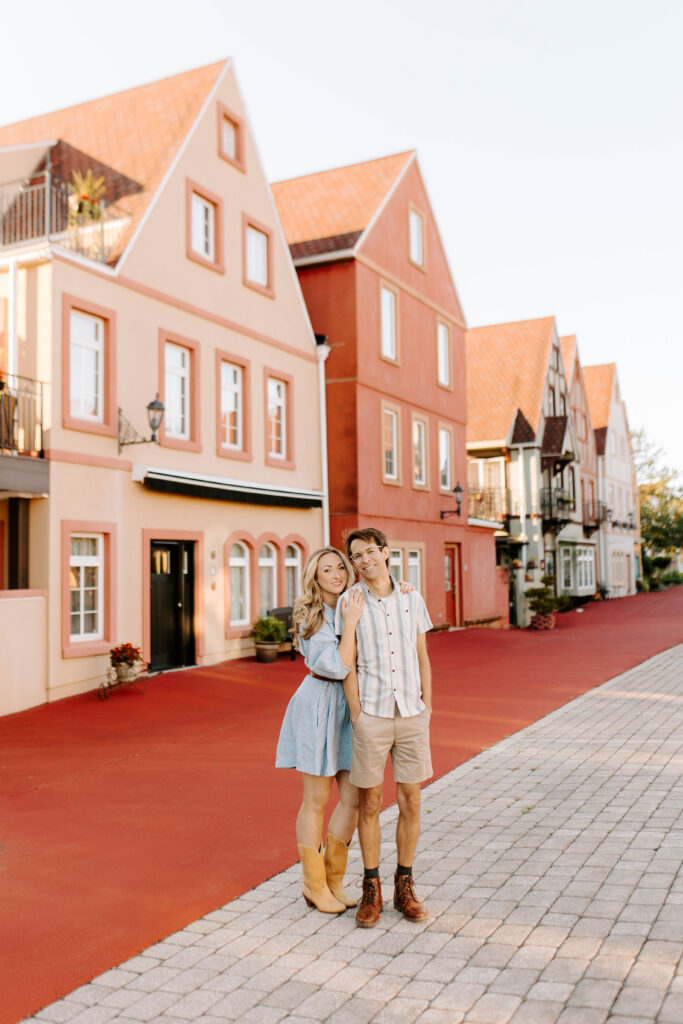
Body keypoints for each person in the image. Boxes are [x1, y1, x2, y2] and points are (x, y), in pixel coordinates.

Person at [338, 527, 433, 928]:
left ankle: (405, 885)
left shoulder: (411, 597)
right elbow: (347, 662)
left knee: (411, 800)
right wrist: (357, 714)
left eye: (370, 552)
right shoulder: (349, 601)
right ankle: (371, 887)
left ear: (386, 553)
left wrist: (427, 704)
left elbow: (422, 655)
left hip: (411, 713)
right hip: (372, 716)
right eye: (357, 556)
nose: (364, 560)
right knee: (371, 803)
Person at [276, 546, 364, 914]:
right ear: (315, 576)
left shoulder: (354, 603)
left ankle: (333, 879)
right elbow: (339, 665)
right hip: (318, 704)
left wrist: (403, 588)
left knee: (354, 798)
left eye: (340, 567)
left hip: (348, 705)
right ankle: (313, 886)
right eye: (326, 569)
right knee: (316, 800)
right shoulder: (313, 616)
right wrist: (351, 625)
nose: (335, 574)